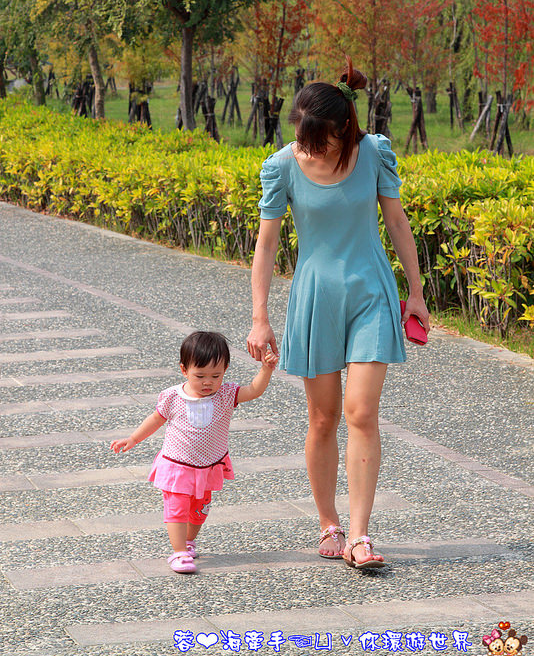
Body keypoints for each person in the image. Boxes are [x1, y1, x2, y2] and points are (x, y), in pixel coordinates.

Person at [246, 57, 430, 570]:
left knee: (362, 412)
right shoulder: (282, 166)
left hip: (371, 294)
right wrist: (260, 316)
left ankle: (361, 536)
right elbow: (266, 245)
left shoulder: (374, 153)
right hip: (314, 299)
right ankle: (330, 523)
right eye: (303, 139)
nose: (310, 149)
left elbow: (397, 222)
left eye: (321, 140)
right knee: (323, 417)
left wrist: (416, 292)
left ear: (345, 129)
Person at [111, 330, 278, 574]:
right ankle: (178, 552)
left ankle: (188, 542)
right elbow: (156, 419)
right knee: (177, 509)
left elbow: (253, 390)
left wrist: (266, 369)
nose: (207, 382)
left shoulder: (226, 394)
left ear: (225, 370)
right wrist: (133, 438)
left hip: (208, 465)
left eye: (215, 376)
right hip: (177, 465)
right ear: (184, 370)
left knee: (199, 510)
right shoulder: (173, 397)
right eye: (199, 376)